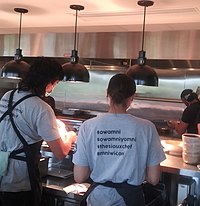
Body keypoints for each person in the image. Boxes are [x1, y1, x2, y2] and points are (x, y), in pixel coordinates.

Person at [72, 73, 166, 206]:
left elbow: (79, 177)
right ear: (132, 97)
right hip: (132, 199)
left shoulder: (88, 126)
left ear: (107, 93)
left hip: (98, 199)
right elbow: (154, 179)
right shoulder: (147, 128)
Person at [0, 57, 77, 206]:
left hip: (2, 175)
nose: (53, 88)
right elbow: (60, 153)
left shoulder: (7, 96)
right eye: (55, 84)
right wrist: (71, 137)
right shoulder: (41, 108)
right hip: (20, 183)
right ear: (47, 82)